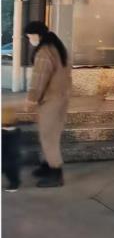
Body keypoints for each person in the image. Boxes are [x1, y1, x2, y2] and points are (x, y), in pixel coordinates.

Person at [24, 21, 71, 188]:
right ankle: (47, 165)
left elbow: (39, 79)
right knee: (49, 134)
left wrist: (31, 99)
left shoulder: (44, 52)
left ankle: (56, 173)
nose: (29, 39)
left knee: (48, 136)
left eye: (30, 36)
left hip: (51, 100)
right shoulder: (56, 47)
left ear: (37, 35)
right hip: (60, 98)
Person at [2, 105, 22, 192]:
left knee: (9, 159)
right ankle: (14, 181)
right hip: (9, 128)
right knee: (9, 158)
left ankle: (14, 182)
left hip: (8, 129)